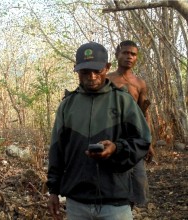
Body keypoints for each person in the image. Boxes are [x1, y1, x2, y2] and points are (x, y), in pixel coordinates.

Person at [47, 42, 151, 220]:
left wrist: (116, 148)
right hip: (77, 201)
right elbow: (57, 150)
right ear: (76, 70)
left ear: (107, 67)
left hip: (115, 201)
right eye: (85, 72)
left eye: (98, 70)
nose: (92, 76)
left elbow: (142, 141)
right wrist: (53, 191)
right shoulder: (67, 105)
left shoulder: (123, 101)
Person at [107, 40, 154, 208]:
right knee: (114, 177)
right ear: (117, 54)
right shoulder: (107, 79)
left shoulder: (140, 83)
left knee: (138, 178)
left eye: (133, 54)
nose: (129, 57)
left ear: (136, 58)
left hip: (134, 136)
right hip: (111, 134)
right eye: (125, 53)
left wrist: (148, 142)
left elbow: (143, 113)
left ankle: (132, 209)